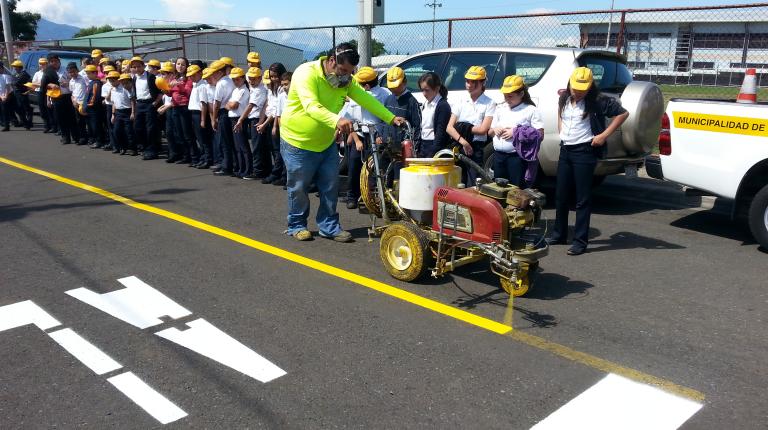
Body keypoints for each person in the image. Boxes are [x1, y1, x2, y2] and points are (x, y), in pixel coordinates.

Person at [279, 43, 405, 242]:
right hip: (297, 142)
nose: (347, 76)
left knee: (330, 185)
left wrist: (390, 118)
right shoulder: (306, 73)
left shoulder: (344, 80)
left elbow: (365, 98)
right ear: (331, 61)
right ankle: (297, 224)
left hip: (325, 142)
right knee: (299, 187)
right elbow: (311, 106)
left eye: (350, 72)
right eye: (344, 70)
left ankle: (329, 226)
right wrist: (336, 120)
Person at [547, 67, 629, 256]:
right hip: (566, 150)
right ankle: (559, 234)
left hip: (584, 152)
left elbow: (623, 114)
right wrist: (562, 130)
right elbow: (560, 111)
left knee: (582, 199)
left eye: (583, 88)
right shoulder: (564, 97)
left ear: (591, 86)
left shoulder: (597, 101)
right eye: (575, 88)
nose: (578, 91)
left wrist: (603, 135)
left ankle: (580, 241)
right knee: (561, 195)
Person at [342, 66, 390, 209]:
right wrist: (356, 139)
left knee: (376, 169)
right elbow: (349, 119)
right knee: (354, 164)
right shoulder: (357, 96)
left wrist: (381, 135)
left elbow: (386, 118)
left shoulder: (384, 95)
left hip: (377, 136)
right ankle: (352, 195)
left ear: (367, 85)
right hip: (360, 135)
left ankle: (371, 198)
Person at [488, 75, 544, 187]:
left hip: (517, 157)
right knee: (499, 188)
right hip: (499, 156)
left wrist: (516, 132)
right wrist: (495, 129)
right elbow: (490, 132)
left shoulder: (530, 110)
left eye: (510, 96)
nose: (507, 100)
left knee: (516, 190)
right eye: (505, 96)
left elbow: (540, 134)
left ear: (521, 94)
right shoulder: (500, 108)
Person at [446, 66, 495, 186]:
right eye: (468, 81)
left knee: (472, 183)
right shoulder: (461, 101)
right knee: (457, 182)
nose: (470, 85)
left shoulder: (489, 103)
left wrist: (462, 127)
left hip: (476, 148)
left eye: (474, 82)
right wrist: (464, 142)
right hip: (460, 146)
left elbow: (483, 129)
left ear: (483, 82)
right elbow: (449, 127)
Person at [257, 63, 287, 181]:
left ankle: (281, 175)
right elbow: (268, 105)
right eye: (271, 76)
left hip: (278, 121)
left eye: (276, 76)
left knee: (280, 149)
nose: (274, 79)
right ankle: (278, 172)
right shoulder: (272, 88)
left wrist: (269, 124)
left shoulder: (281, 89)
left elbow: (276, 110)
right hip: (271, 120)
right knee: (274, 149)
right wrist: (262, 121)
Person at [41, 55, 78, 144]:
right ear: (49, 63)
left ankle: (76, 136)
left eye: (56, 61)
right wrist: (50, 85)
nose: (54, 63)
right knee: (61, 118)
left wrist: (68, 83)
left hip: (68, 96)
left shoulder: (66, 69)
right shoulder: (47, 71)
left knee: (72, 118)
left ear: (59, 61)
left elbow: (75, 79)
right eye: (52, 61)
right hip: (57, 97)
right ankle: (65, 137)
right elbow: (43, 85)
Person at [130, 56, 162, 160]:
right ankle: (144, 147)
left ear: (143, 66)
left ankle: (152, 150)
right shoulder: (134, 78)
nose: (136, 69)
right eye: (134, 67)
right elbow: (134, 94)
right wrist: (134, 109)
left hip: (149, 103)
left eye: (138, 66)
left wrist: (155, 103)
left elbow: (159, 92)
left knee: (150, 128)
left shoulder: (150, 77)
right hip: (139, 104)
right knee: (138, 127)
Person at [237, 66, 267, 175]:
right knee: (258, 145)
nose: (251, 81)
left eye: (254, 78)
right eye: (249, 78)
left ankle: (258, 170)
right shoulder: (254, 86)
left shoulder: (259, 90)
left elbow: (250, 106)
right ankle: (261, 169)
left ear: (260, 78)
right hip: (253, 119)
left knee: (257, 146)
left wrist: (240, 119)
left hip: (257, 119)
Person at [168, 57, 198, 165]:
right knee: (179, 134)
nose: (180, 66)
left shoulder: (188, 78)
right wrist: (165, 89)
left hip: (184, 107)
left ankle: (194, 157)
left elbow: (188, 92)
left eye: (182, 64)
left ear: (186, 67)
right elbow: (170, 93)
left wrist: (178, 85)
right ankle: (186, 156)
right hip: (175, 107)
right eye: (178, 64)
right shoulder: (173, 77)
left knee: (187, 134)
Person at [211, 60, 236, 176]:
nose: (213, 74)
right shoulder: (230, 79)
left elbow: (217, 103)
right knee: (230, 140)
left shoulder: (221, 83)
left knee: (225, 141)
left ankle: (227, 167)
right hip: (231, 112)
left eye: (215, 72)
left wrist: (214, 118)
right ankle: (233, 164)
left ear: (220, 72)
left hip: (223, 112)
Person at [417, 72, 451, 157]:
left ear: (437, 88)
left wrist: (432, 153)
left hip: (434, 147)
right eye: (422, 90)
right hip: (424, 145)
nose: (424, 94)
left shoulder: (442, 106)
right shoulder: (426, 103)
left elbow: (441, 132)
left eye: (427, 90)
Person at [228, 67, 254, 179]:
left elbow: (233, 105)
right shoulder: (235, 90)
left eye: (237, 79)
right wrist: (230, 104)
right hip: (233, 118)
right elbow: (227, 104)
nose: (235, 81)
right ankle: (241, 168)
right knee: (237, 146)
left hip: (240, 118)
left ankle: (248, 170)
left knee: (243, 145)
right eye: (233, 79)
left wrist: (230, 104)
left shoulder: (244, 90)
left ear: (243, 78)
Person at [187, 64, 212, 168]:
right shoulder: (196, 84)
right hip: (194, 113)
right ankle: (202, 158)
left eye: (193, 75)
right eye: (190, 75)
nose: (191, 77)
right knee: (199, 138)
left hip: (199, 114)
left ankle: (207, 159)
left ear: (199, 73)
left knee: (203, 139)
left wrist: (202, 119)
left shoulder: (202, 85)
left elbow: (203, 104)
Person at [108, 72, 137, 156]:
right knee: (117, 131)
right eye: (110, 81)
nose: (111, 82)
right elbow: (113, 103)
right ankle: (122, 147)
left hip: (127, 111)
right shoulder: (113, 90)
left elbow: (132, 101)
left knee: (129, 131)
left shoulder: (125, 88)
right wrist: (113, 114)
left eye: (113, 80)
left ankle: (133, 149)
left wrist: (132, 112)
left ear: (118, 80)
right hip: (118, 112)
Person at [84, 65, 107, 148]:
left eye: (89, 73)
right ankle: (96, 139)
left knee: (96, 126)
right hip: (91, 109)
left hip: (94, 109)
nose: (87, 75)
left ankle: (99, 141)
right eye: (87, 73)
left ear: (95, 73)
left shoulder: (96, 83)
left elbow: (95, 97)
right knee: (92, 125)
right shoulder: (91, 82)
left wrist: (87, 106)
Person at [68, 62, 89, 144]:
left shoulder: (84, 78)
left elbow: (88, 89)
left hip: (84, 103)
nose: (72, 74)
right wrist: (73, 101)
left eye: (73, 71)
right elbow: (72, 93)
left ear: (77, 70)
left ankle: (91, 138)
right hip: (76, 104)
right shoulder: (71, 81)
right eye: (70, 72)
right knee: (79, 121)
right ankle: (83, 138)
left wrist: (85, 101)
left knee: (88, 121)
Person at [32, 58, 55, 133]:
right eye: (40, 64)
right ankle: (46, 126)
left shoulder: (49, 72)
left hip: (48, 92)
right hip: (39, 93)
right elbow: (33, 84)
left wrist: (41, 84)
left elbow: (50, 84)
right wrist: (42, 84)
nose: (42, 65)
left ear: (47, 64)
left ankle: (53, 126)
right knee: (42, 110)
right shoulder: (37, 73)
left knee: (49, 109)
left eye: (44, 64)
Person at [10, 60, 32, 130]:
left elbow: (16, 83)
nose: (14, 69)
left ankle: (28, 123)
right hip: (17, 93)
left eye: (15, 67)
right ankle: (25, 122)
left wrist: (12, 81)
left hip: (22, 94)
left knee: (25, 108)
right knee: (21, 108)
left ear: (19, 67)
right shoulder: (18, 74)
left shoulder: (23, 74)